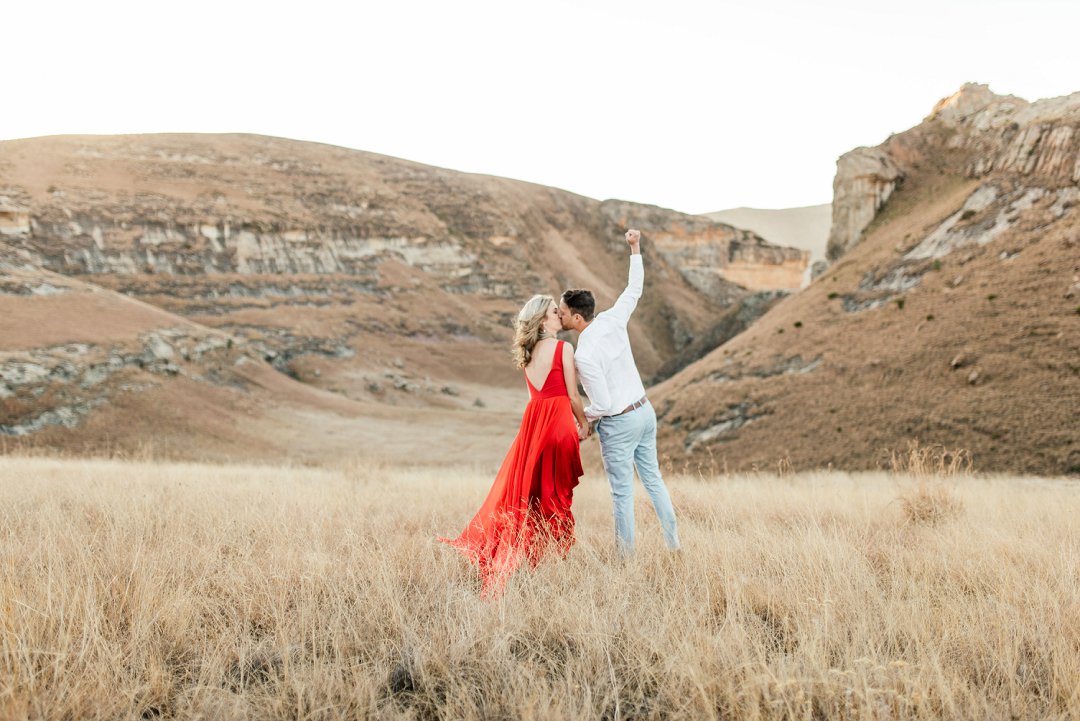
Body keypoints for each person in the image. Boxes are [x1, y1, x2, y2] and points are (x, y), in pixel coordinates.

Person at [440, 295, 589, 598]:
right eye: (553, 311)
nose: (560, 314)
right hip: (559, 423)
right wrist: (584, 423)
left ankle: (520, 565)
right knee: (553, 499)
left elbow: (536, 396)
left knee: (527, 498)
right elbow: (573, 395)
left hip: (534, 426)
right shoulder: (563, 348)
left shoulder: (528, 352)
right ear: (542, 319)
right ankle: (546, 565)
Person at [559, 229, 680, 556]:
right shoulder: (613, 318)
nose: (560, 315)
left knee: (622, 494)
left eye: (563, 312)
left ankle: (625, 560)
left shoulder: (583, 354)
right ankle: (674, 546)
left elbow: (603, 403)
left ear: (577, 316)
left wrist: (582, 422)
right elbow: (635, 288)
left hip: (621, 422)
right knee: (654, 480)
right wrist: (635, 247)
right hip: (644, 411)